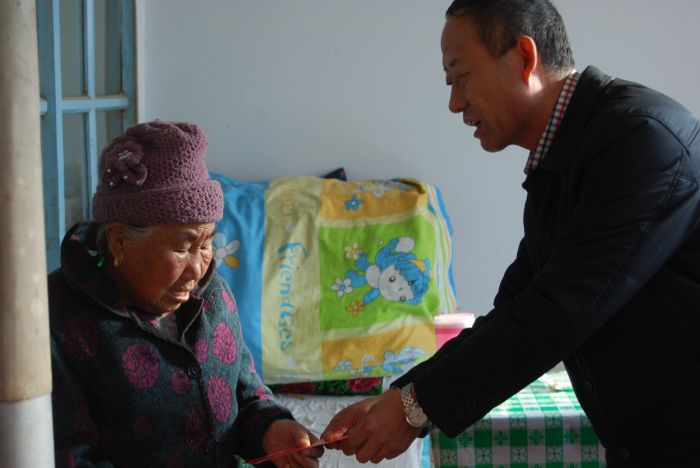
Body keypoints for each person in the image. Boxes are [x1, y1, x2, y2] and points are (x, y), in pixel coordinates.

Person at [321, 0, 700, 466]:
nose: (455, 103)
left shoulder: (641, 141)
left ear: (524, 57)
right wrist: (400, 396)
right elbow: (516, 307)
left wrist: (413, 408)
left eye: (461, 76)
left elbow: (557, 310)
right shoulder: (565, 159)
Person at [49, 120, 323, 467]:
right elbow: (64, 456)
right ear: (120, 242)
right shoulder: (57, 322)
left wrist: (272, 429)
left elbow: (247, 394)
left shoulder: (214, 297)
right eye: (183, 247)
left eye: (206, 244)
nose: (198, 269)